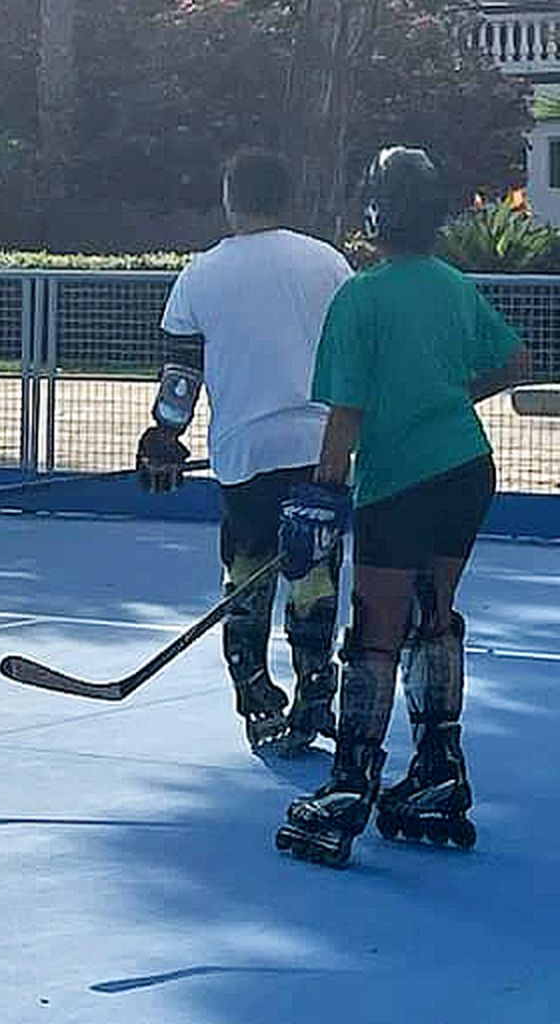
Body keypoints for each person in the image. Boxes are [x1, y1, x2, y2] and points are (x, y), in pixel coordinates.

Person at [275, 146, 530, 868]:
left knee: (377, 628)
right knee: (434, 614)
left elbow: (347, 412)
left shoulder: (361, 296)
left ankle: (350, 783)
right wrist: (445, 403)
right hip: (463, 469)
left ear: (374, 211)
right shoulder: (452, 285)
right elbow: (516, 362)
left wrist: (322, 495)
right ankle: (437, 774)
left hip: (398, 482)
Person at [136, 148, 353, 753]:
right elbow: (353, 353)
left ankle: (258, 704)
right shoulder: (329, 263)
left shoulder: (201, 273)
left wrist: (164, 437)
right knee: (314, 577)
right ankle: (317, 694)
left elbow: (181, 375)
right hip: (320, 448)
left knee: (246, 576)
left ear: (230, 198)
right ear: (288, 199)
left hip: (243, 453)